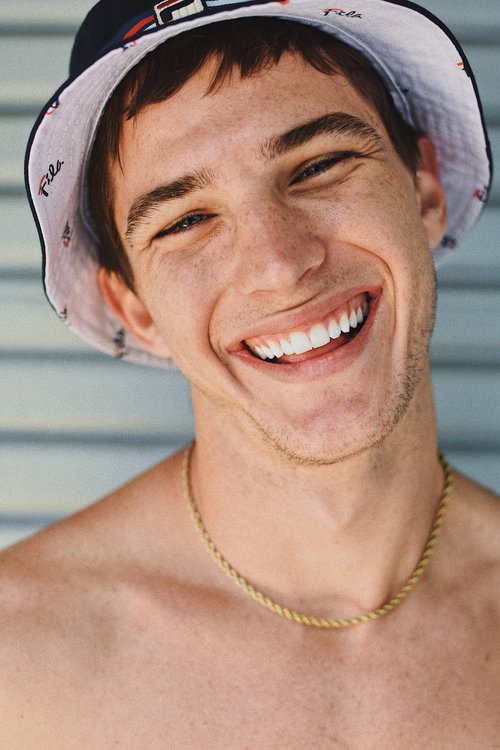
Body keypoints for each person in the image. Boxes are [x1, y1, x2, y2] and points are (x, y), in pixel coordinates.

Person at [1, 0, 498, 745]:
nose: (279, 264)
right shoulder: (17, 662)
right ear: (134, 308)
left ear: (425, 189)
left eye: (319, 166)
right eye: (186, 220)